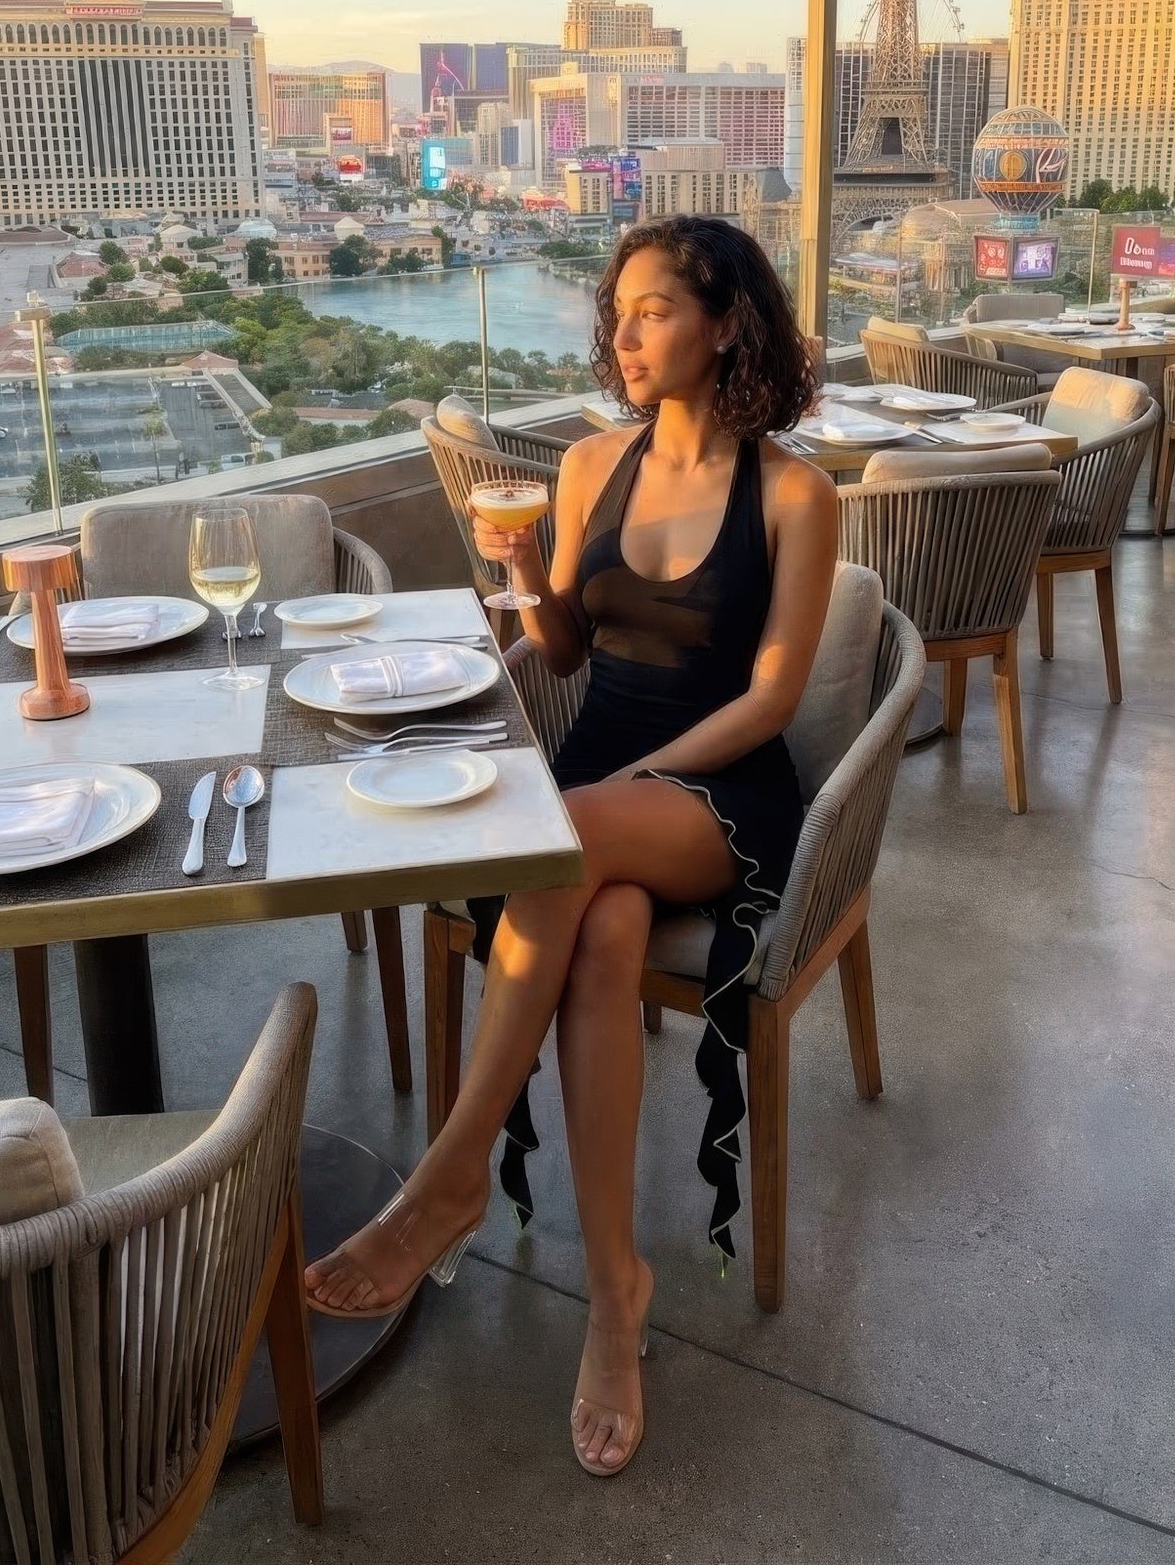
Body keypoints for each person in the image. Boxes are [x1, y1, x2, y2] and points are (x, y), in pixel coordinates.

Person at [306, 216, 837, 1476]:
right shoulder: (592, 463)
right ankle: (616, 1292)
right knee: (596, 931)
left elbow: (767, 703)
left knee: (566, 836)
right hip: (595, 793)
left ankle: (449, 1176)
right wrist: (528, 574)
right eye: (618, 311)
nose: (624, 332)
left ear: (726, 319)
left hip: (717, 797)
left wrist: (630, 786)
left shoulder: (793, 494)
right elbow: (562, 654)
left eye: (654, 308)